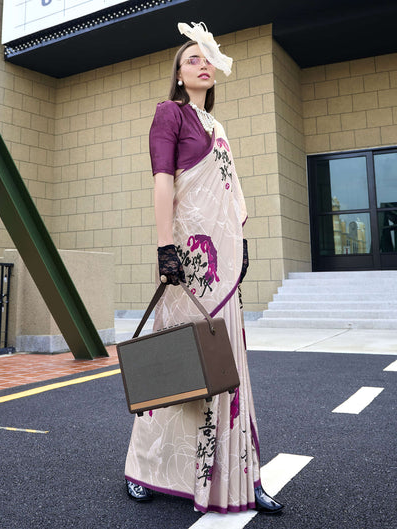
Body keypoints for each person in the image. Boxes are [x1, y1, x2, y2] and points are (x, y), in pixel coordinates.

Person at [124, 22, 284, 515]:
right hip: (187, 263)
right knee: (178, 367)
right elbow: (163, 183)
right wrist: (164, 248)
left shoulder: (219, 129)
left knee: (227, 365)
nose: (202, 64)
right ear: (177, 73)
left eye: (207, 59)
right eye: (191, 59)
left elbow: (233, 197)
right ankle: (145, 466)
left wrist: (242, 241)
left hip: (224, 264)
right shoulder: (168, 114)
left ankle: (240, 474)